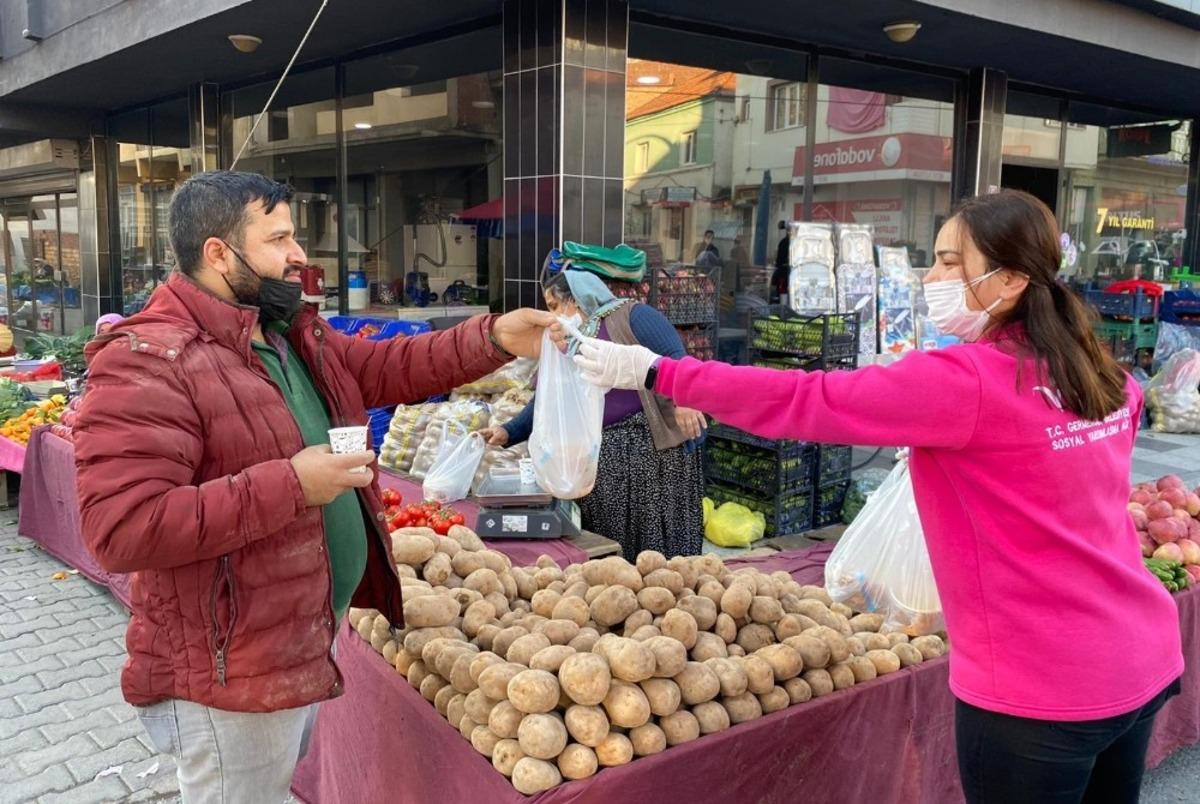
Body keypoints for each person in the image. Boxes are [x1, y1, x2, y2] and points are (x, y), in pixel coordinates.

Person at [568, 190, 1183, 804]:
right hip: (1141, 652)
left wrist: (658, 372)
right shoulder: (1104, 375)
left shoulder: (967, 380)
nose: (932, 277)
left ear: (1014, 278)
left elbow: (807, 399)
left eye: (949, 262)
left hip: (1042, 689)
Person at [74, 171, 553, 803]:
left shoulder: (281, 331)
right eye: (279, 238)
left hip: (294, 640)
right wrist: (293, 483)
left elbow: (385, 366)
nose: (298, 255)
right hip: (231, 666)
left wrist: (491, 338)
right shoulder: (147, 359)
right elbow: (122, 529)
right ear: (219, 253)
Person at [479, 258, 707, 557]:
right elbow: (548, 402)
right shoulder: (567, 343)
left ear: (574, 299)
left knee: (655, 545)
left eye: (553, 306)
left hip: (652, 457)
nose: (551, 316)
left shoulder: (632, 316)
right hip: (602, 461)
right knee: (610, 547)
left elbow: (676, 356)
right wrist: (507, 431)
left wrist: (685, 401)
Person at [771, 220, 789, 300]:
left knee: (782, 291)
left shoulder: (783, 242)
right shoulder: (785, 242)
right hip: (786, 271)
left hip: (784, 271)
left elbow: (779, 259)